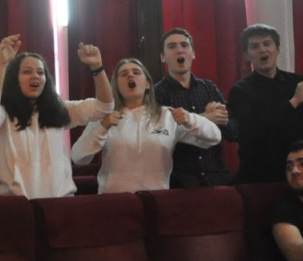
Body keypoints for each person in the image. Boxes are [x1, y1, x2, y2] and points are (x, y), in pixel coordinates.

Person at [0, 35, 113, 198]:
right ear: (14, 79)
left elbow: (104, 107)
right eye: (27, 72)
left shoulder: (59, 109)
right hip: (17, 205)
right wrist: (2, 64)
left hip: (61, 203)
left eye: (40, 72)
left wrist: (97, 67)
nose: (35, 76)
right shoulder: (3, 113)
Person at [72, 58, 221, 193]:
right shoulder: (104, 118)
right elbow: (78, 157)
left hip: (156, 200)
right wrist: (102, 127)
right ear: (116, 85)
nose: (130, 76)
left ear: (148, 84)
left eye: (136, 72)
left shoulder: (167, 115)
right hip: (114, 201)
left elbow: (214, 137)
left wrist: (190, 119)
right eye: (123, 74)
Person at [229, 24, 303, 183]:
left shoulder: (299, 83)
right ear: (246, 55)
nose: (262, 50)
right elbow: (254, 133)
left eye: (267, 44)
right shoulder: (240, 91)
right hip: (261, 175)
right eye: (255, 46)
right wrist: (294, 102)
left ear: (277, 49)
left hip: (302, 172)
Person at [153, 28, 237, 187]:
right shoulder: (156, 93)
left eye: (184, 45)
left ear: (193, 54)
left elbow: (233, 133)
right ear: (162, 57)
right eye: (172, 46)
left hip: (217, 178)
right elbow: (159, 137)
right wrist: (205, 118)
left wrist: (223, 119)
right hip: (180, 183)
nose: (179, 50)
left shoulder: (209, 88)